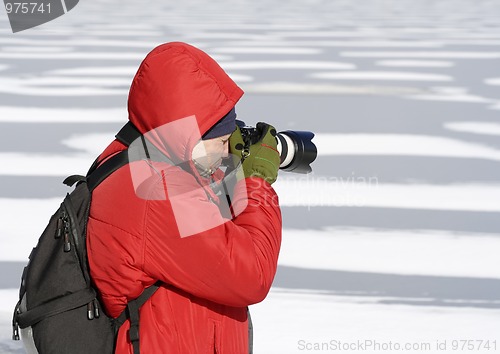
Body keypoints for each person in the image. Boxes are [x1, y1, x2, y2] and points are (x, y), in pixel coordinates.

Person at [86, 41, 282, 354]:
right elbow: (252, 273)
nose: (225, 150)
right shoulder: (157, 192)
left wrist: (232, 174)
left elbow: (207, 216)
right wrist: (256, 181)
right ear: (188, 134)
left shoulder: (137, 155)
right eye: (220, 141)